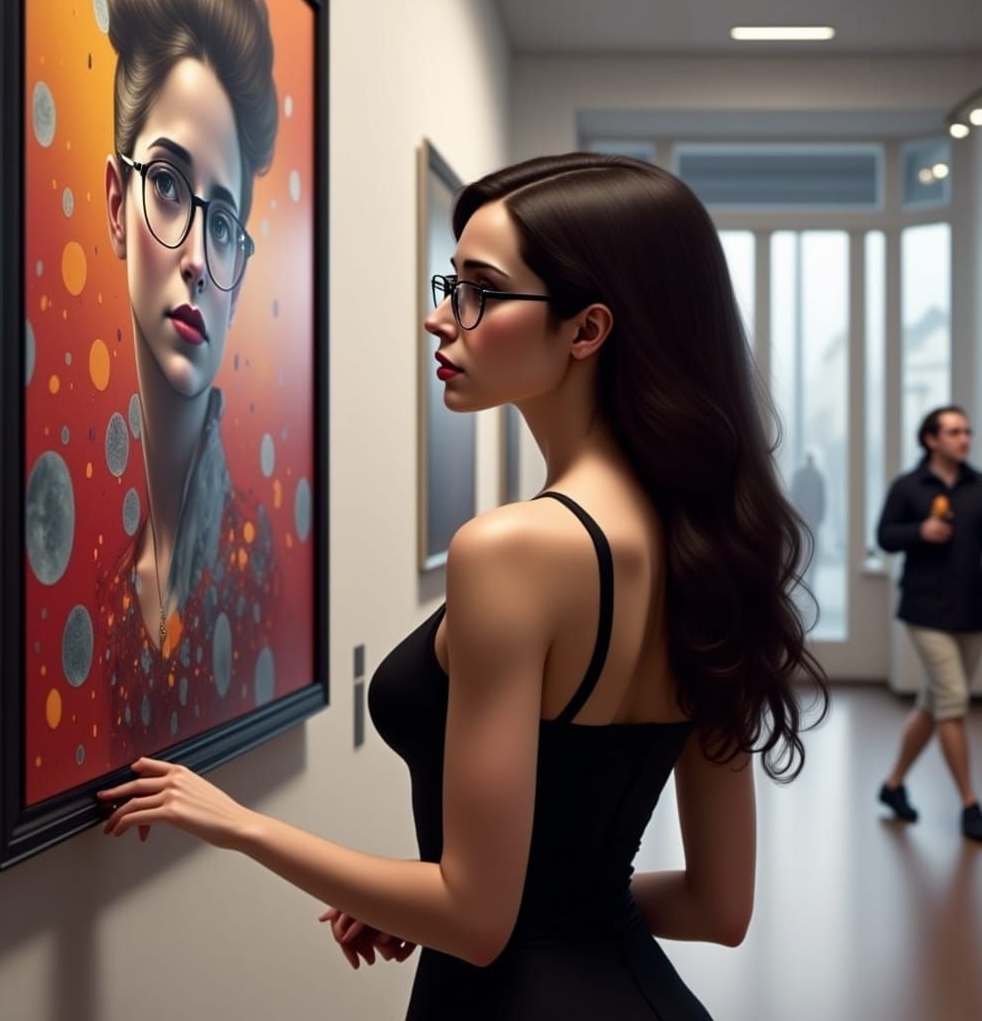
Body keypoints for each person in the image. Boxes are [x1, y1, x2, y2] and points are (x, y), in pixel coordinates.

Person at [99, 153, 828, 1019]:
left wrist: (237, 821)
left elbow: (476, 920)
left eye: (479, 291)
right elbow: (720, 907)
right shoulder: (704, 544)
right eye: (452, 283)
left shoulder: (514, 550)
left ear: (585, 330)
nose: (439, 317)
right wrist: (459, 903)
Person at [98, 0, 279, 762]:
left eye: (226, 224)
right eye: (168, 184)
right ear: (116, 202)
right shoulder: (95, 585)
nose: (199, 260)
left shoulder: (253, 558)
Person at [876, 406, 982, 842]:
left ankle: (893, 786)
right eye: (954, 431)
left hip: (972, 610)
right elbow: (884, 536)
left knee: (932, 702)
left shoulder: (978, 487)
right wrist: (920, 531)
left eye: (967, 431)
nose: (965, 438)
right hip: (925, 611)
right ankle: (969, 804)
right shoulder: (907, 487)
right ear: (931, 439)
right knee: (954, 699)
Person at [791, 452, 826, 590]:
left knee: (805, 546)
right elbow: (822, 499)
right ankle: (807, 576)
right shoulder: (817, 476)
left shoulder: (801, 476)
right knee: (809, 546)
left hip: (805, 517)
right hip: (810, 517)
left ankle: (805, 576)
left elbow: (795, 495)